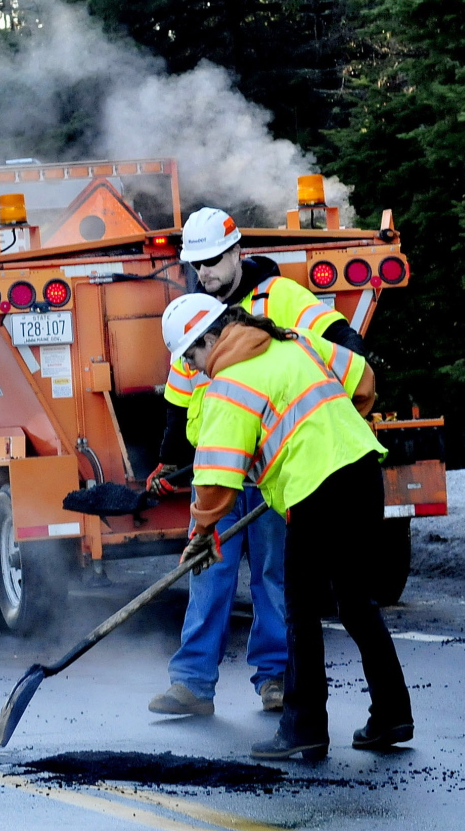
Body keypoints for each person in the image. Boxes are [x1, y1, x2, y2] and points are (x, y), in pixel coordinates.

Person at [163, 294, 413, 760]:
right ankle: (392, 715)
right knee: (357, 604)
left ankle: (304, 727)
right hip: (362, 473)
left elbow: (216, 478)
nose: (195, 369)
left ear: (212, 337)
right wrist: (338, 429)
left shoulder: (229, 385)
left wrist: (202, 535)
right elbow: (362, 378)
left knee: (300, 611)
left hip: (318, 492)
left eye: (193, 356)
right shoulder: (294, 342)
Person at [147, 207, 366, 717]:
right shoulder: (194, 318)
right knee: (208, 569)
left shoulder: (281, 298)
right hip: (220, 467)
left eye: (213, 262)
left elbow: (340, 340)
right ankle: (192, 684)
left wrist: (350, 395)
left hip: (271, 468)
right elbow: (180, 403)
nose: (204, 274)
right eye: (196, 264)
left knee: (274, 573)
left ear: (237, 252)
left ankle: (274, 678)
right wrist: (167, 460)